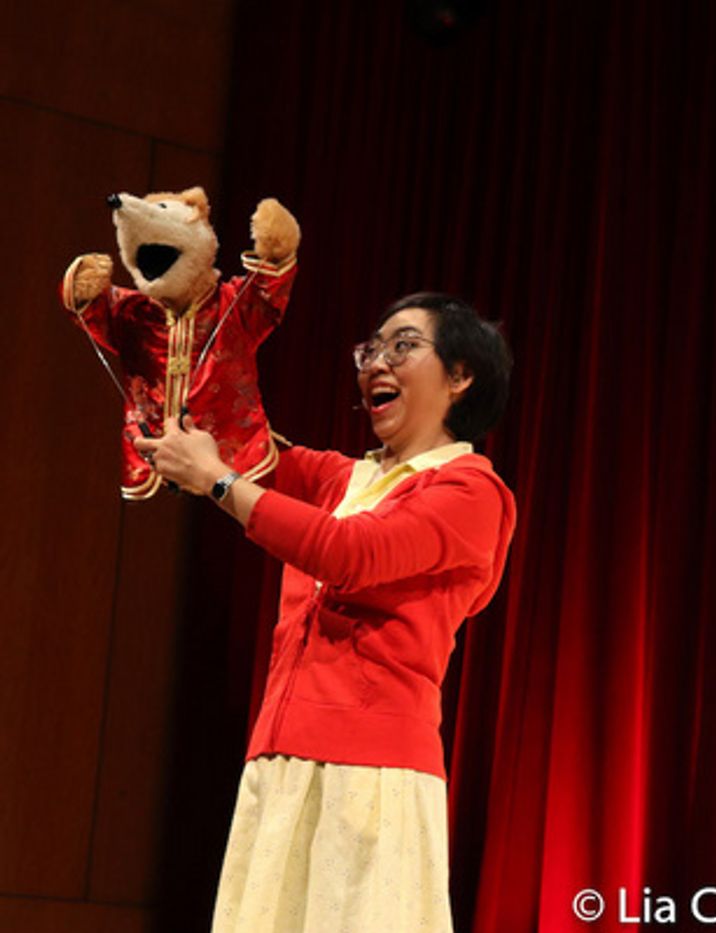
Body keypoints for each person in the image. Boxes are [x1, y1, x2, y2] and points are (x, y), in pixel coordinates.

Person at [136, 292, 516, 931]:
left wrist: (221, 483)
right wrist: (190, 336)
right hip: (279, 762)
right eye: (371, 350)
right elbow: (239, 441)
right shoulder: (347, 480)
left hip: (372, 775)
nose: (376, 363)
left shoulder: (470, 491)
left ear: (460, 376)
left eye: (403, 346)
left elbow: (349, 553)